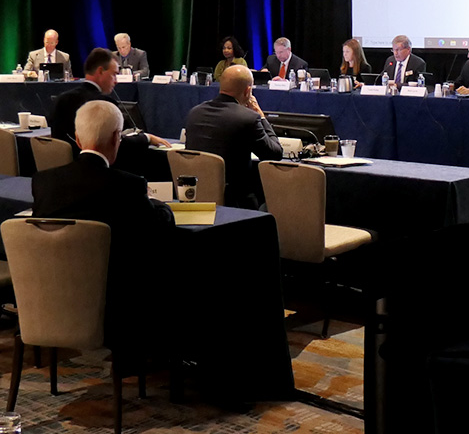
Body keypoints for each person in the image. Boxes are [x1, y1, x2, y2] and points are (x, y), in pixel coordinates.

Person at [32, 100, 175, 348]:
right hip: (115, 302)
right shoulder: (128, 185)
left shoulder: (43, 181)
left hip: (53, 292)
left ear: (77, 139)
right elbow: (154, 229)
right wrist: (160, 206)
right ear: (116, 138)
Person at [185, 64, 283, 208]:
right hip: (235, 203)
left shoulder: (195, 112)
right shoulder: (248, 118)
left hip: (195, 196)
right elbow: (275, 154)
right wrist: (261, 116)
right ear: (248, 91)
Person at [50, 47, 170, 156]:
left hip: (66, 168)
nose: (116, 81)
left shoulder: (61, 99)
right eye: (114, 74)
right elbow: (117, 145)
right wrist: (147, 138)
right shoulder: (104, 104)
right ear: (100, 71)